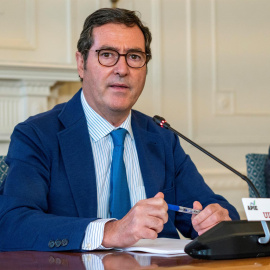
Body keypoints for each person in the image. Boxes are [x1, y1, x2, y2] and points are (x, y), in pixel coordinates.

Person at [0, 8, 239, 252]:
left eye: (134, 57)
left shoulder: (162, 137)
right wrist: (111, 231)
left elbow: (211, 209)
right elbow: (12, 224)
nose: (122, 69)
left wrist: (216, 221)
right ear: (81, 64)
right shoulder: (38, 135)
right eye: (107, 55)